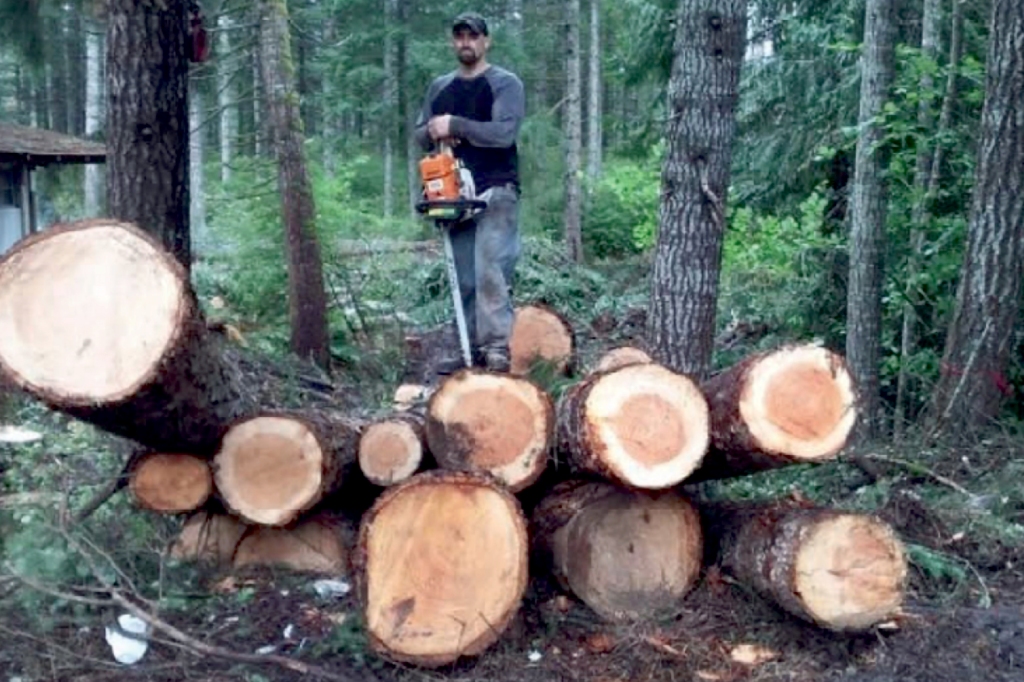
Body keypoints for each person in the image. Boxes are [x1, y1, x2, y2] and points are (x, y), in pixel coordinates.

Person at [414, 12, 525, 374]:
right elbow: (419, 135)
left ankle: (496, 350)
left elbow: (503, 134)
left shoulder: (504, 83)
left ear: (486, 41)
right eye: (460, 36)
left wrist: (456, 125)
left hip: (495, 186)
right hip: (452, 191)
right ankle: (468, 346)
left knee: (491, 269)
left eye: (473, 36)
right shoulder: (440, 87)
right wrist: (435, 130)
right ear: (453, 41)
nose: (466, 42)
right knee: (462, 274)